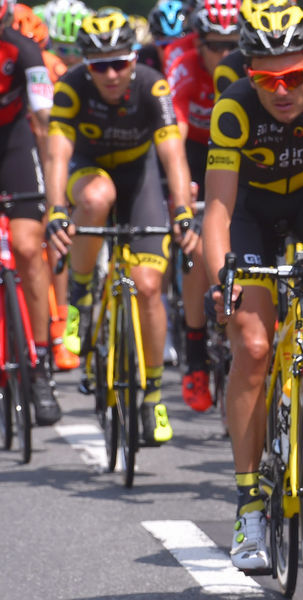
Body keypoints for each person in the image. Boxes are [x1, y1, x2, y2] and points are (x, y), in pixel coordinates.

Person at [201, 2, 303, 572]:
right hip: (253, 213)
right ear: (249, 76)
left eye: (293, 78)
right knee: (253, 346)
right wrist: (225, 277)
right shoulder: (234, 110)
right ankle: (248, 505)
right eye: (267, 79)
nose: (281, 91)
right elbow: (216, 209)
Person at [44, 12, 196, 444]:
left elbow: (173, 156)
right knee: (95, 197)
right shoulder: (71, 86)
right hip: (87, 173)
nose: (110, 74)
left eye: (119, 63)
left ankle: (151, 394)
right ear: (86, 66)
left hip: (140, 178)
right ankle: (80, 297)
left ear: (133, 61)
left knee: (148, 286)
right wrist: (57, 210)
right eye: (99, 66)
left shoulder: (151, 84)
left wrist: (182, 210)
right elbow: (56, 156)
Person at [167, 0, 241, 412]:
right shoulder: (181, 61)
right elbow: (172, 141)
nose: (225, 54)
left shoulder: (248, 64)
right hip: (194, 151)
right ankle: (194, 352)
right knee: (196, 244)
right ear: (199, 42)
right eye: (215, 45)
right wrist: (182, 204)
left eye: (232, 43)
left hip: (242, 151)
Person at [0, 0, 56, 424]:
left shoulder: (25, 51)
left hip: (15, 141)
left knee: (26, 245)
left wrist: (55, 200)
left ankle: (41, 367)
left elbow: (43, 123)